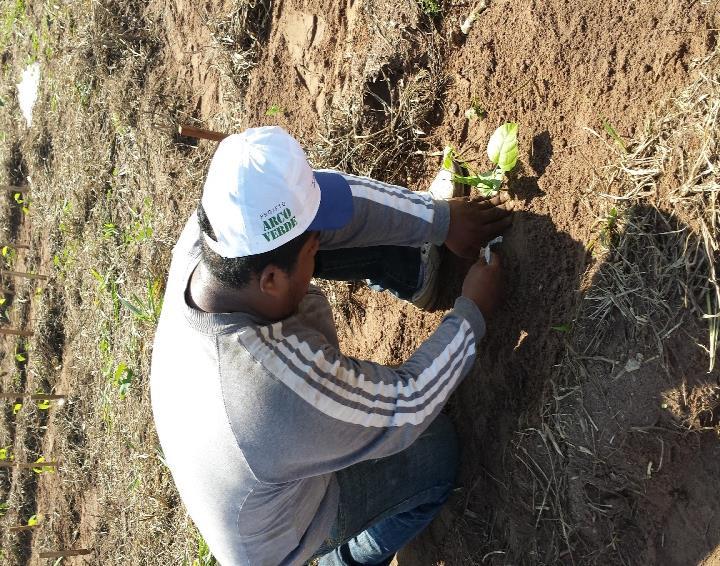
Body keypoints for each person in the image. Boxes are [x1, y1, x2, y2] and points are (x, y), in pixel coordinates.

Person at [150, 126, 513, 566]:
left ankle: (414, 273)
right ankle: (345, 560)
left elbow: (331, 210)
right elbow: (408, 404)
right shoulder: (269, 391)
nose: (319, 242)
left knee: (315, 236)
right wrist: (471, 314)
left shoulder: (216, 235)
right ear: (269, 281)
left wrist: (440, 218)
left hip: (248, 458)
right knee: (433, 453)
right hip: (282, 533)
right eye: (310, 248)